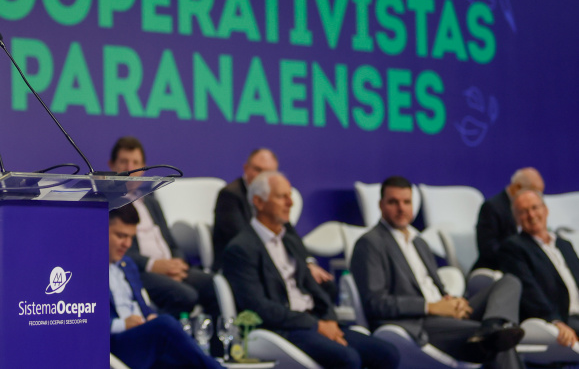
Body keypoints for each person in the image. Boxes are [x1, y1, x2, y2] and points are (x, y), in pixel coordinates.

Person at [221, 171, 400, 369]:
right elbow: (258, 307)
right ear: (259, 202)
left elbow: (315, 289)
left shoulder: (290, 240)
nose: (291, 202)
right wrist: (315, 325)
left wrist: (329, 319)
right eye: (282, 197)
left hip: (315, 322)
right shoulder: (240, 248)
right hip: (282, 329)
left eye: (290, 195)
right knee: (348, 359)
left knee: (387, 353)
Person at [351, 176, 525, 368]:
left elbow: (436, 288)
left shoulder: (419, 242)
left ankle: (492, 323)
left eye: (406, 202)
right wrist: (430, 307)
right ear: (381, 205)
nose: (401, 208)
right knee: (499, 340)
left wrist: (452, 302)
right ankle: (492, 331)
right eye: (393, 202)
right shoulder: (370, 243)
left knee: (509, 282)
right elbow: (376, 303)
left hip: (444, 315)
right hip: (418, 321)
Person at [109, 136, 217, 317]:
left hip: (170, 267)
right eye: (124, 162)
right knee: (184, 295)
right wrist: (154, 265)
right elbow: (119, 249)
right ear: (112, 165)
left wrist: (177, 264)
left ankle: (215, 342)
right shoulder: (111, 203)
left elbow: (171, 242)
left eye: (136, 163)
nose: (130, 169)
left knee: (212, 284)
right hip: (142, 271)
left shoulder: (151, 202)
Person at [108, 204, 224, 369]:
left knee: (181, 359)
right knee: (165, 325)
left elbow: (142, 305)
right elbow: (85, 320)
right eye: (121, 236)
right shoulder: (87, 270)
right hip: (114, 344)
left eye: (131, 238)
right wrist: (123, 324)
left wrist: (150, 317)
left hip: (143, 338)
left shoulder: (128, 264)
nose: (127, 244)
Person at [212, 148, 334, 291]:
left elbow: (289, 234)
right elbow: (241, 239)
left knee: (325, 286)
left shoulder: (273, 199)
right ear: (246, 168)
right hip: (245, 264)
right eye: (258, 170)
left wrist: (307, 263)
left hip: (276, 262)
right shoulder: (230, 195)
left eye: (269, 172)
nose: (262, 176)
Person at [499, 188, 579, 347]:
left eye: (535, 208)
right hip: (561, 318)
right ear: (517, 219)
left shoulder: (565, 244)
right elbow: (529, 292)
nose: (531, 215)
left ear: (546, 210)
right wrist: (554, 321)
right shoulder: (514, 247)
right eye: (524, 211)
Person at [473, 167, 545, 272]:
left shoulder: (533, 212)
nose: (536, 198)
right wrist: (520, 257)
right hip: (498, 270)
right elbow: (488, 249)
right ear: (517, 187)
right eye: (533, 192)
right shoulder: (492, 208)